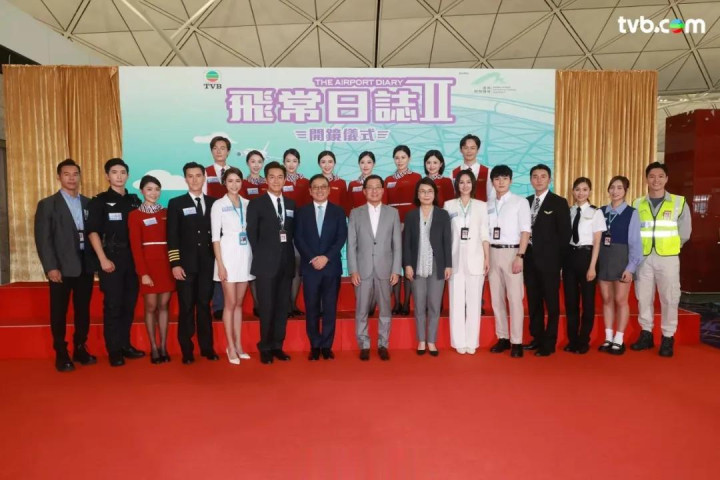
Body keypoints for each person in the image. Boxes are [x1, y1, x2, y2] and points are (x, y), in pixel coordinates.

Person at [34, 159, 96, 372]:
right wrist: (51, 267)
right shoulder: (47, 204)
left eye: (75, 174)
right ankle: (61, 352)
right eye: (67, 174)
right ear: (59, 177)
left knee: (83, 310)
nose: (71, 178)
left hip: (85, 264)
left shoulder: (88, 203)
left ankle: (80, 347)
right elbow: (43, 239)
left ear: (80, 177)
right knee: (59, 311)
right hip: (60, 267)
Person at [86, 158, 144, 367]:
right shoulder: (99, 201)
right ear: (107, 176)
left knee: (129, 304)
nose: (119, 176)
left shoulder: (135, 201)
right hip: (111, 258)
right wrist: (102, 259)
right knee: (113, 305)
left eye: (122, 172)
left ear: (127, 175)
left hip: (133, 259)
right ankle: (114, 350)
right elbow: (92, 232)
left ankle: (125, 345)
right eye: (114, 172)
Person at [631, 162, 692, 358]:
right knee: (643, 297)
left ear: (666, 179)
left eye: (660, 176)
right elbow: (634, 232)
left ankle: (667, 336)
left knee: (669, 298)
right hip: (643, 258)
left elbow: (685, 232)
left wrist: (672, 247)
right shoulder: (637, 203)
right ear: (646, 179)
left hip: (668, 258)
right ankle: (646, 333)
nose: (655, 180)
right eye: (651, 176)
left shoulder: (678, 202)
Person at [167, 162, 219, 364]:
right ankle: (187, 350)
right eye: (190, 176)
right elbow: (172, 236)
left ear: (204, 177)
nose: (195, 179)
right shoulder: (176, 203)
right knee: (186, 307)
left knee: (204, 306)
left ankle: (207, 348)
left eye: (198, 175)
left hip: (207, 264)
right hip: (185, 266)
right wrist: (175, 263)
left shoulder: (214, 203)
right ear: (185, 179)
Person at [347, 175, 402, 361]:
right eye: (370, 187)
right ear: (364, 191)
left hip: (385, 269)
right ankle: (364, 344)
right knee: (361, 310)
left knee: (385, 310)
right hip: (362, 270)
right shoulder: (355, 213)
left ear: (383, 190)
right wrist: (353, 270)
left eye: (377, 187)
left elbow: (397, 245)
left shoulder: (392, 213)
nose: (374, 191)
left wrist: (396, 270)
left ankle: (383, 344)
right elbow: (351, 245)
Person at [246, 161, 296, 364]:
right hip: (266, 265)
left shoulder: (291, 204)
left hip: (286, 264)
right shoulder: (256, 204)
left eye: (280, 177)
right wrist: (264, 256)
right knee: (267, 308)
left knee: (282, 307)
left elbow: (292, 233)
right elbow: (252, 234)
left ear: (285, 180)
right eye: (272, 177)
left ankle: (277, 346)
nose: (276, 181)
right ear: (266, 179)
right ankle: (265, 346)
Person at [294, 174, 348, 360]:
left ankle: (326, 345)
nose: (319, 190)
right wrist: (312, 258)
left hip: (331, 266)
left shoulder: (338, 211)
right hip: (310, 268)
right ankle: (315, 345)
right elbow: (298, 238)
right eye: (315, 187)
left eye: (323, 186)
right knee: (312, 308)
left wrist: (326, 257)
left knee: (330, 308)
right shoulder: (302, 212)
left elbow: (341, 237)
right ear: (310, 191)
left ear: (329, 189)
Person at [522, 164, 570, 357]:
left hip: (550, 262)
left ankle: (549, 342)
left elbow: (564, 235)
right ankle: (537, 337)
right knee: (533, 301)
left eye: (543, 176)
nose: (539, 180)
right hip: (529, 259)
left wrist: (559, 263)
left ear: (549, 180)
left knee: (551, 303)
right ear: (530, 180)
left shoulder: (558, 202)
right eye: (535, 176)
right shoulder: (525, 202)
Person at [128, 175, 175, 364]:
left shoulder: (167, 212)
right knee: (150, 306)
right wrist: (143, 273)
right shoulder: (134, 215)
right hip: (148, 265)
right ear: (141, 191)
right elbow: (135, 246)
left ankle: (163, 346)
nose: (153, 193)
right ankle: (153, 347)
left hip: (166, 265)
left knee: (164, 305)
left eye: (157, 189)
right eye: (149, 189)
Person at [403, 178, 452, 356]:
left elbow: (447, 241)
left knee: (434, 304)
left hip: (437, 265)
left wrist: (448, 265)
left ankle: (431, 341)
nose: (426, 195)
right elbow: (406, 243)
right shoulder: (410, 215)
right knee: (419, 304)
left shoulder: (442, 215)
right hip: (416, 265)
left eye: (429, 191)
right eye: (422, 191)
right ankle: (421, 341)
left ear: (434, 194)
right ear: (417, 194)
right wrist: (407, 265)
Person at [210, 167, 254, 365]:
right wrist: (220, 264)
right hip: (227, 256)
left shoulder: (248, 203)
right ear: (224, 183)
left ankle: (239, 344)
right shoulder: (219, 205)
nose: (234, 185)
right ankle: (230, 346)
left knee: (239, 304)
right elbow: (215, 238)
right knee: (230, 303)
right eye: (230, 181)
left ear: (242, 182)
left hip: (245, 255)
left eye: (237, 181)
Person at [487, 165, 531, 358]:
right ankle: (503, 337)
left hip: (512, 252)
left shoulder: (520, 202)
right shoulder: (488, 204)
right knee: (496, 299)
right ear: (492, 182)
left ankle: (517, 341)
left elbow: (525, 231)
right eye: (497, 179)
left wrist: (520, 256)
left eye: (505, 178)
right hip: (492, 252)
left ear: (511, 181)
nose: (501, 182)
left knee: (514, 299)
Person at [444, 170, 490, 354]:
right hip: (455, 257)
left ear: (473, 184)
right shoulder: (449, 205)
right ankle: (458, 341)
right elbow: (446, 235)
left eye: (468, 182)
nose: (465, 185)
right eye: (461, 182)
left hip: (476, 256)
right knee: (456, 302)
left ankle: (472, 341)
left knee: (474, 302)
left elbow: (485, 233)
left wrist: (487, 257)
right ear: (457, 185)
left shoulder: (481, 206)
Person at [597, 176, 643, 355]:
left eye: (619, 188)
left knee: (620, 300)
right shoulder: (601, 211)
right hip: (604, 258)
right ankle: (608, 337)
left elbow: (636, 243)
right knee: (607, 299)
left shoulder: (632, 213)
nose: (615, 191)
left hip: (622, 259)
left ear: (625, 191)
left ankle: (619, 338)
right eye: (612, 187)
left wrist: (631, 268)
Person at [563, 177, 606, 354]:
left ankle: (583, 341)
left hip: (587, 257)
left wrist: (592, 266)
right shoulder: (569, 211)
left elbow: (597, 242)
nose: (581, 193)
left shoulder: (596, 212)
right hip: (570, 257)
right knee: (571, 302)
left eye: (584, 189)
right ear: (573, 191)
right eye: (577, 189)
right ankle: (572, 340)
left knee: (587, 303)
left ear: (590, 192)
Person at [385, 145, 422, 316]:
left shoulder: (416, 177)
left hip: (411, 226)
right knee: (394, 265)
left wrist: (409, 223)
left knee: (408, 264)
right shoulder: (387, 180)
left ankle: (406, 302)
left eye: (403, 157)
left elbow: (420, 203)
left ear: (409, 158)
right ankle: (396, 302)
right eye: (397, 158)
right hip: (392, 227)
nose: (399, 161)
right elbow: (385, 206)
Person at [202, 135, 233, 321]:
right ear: (211, 151)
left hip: (231, 226)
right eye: (215, 148)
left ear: (228, 151)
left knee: (229, 263)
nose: (219, 151)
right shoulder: (204, 173)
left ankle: (230, 303)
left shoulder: (233, 173)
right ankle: (219, 305)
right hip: (213, 224)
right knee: (216, 264)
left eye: (223, 148)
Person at [282, 148, 309, 318]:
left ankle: (292, 304)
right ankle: (284, 305)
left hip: (300, 231)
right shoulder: (279, 180)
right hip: (282, 231)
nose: (291, 164)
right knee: (284, 268)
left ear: (299, 163)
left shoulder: (306, 182)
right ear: (283, 163)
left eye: (294, 161)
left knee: (298, 268)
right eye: (288, 161)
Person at [452, 134, 492, 202]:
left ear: (478, 150)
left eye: (472, 148)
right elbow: (452, 197)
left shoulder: (488, 172)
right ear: (461, 150)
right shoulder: (454, 173)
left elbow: (491, 197)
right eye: (466, 148)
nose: (469, 151)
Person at [318, 150, 348, 214]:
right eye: (323, 162)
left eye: (330, 162)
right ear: (319, 164)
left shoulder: (341, 183)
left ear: (334, 163)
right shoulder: (314, 182)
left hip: (336, 217)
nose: (327, 165)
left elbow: (344, 206)